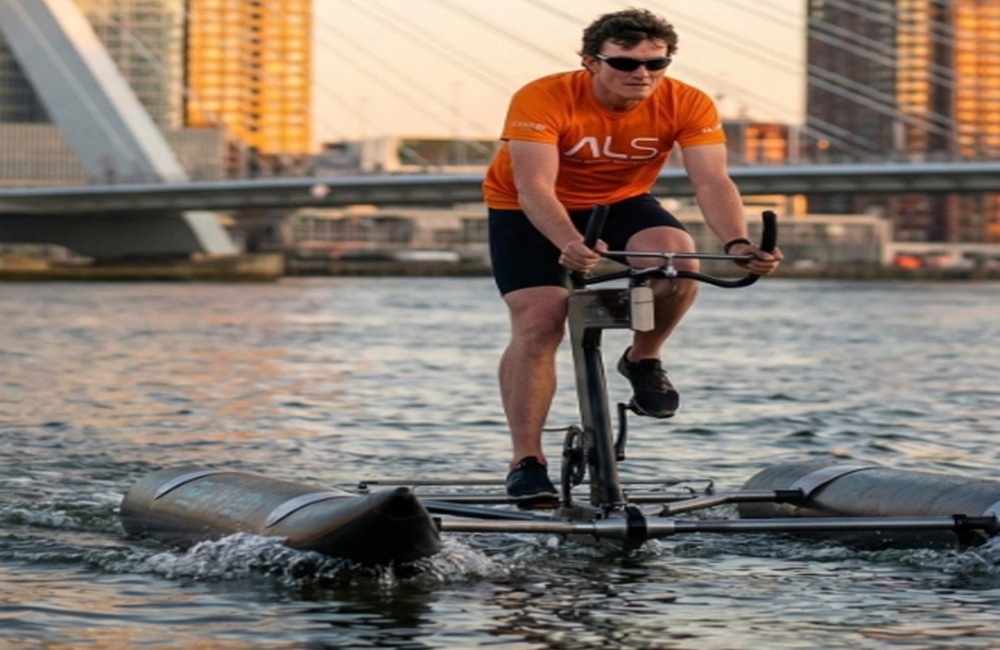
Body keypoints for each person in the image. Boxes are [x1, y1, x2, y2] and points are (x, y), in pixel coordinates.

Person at [482, 8, 783, 508]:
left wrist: (737, 244)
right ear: (590, 62)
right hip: (524, 206)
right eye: (625, 64)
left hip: (620, 201)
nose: (642, 74)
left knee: (678, 259)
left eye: (656, 63)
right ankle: (526, 462)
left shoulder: (686, 101)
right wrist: (567, 241)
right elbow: (534, 185)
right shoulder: (544, 96)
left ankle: (643, 358)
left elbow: (710, 180)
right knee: (540, 321)